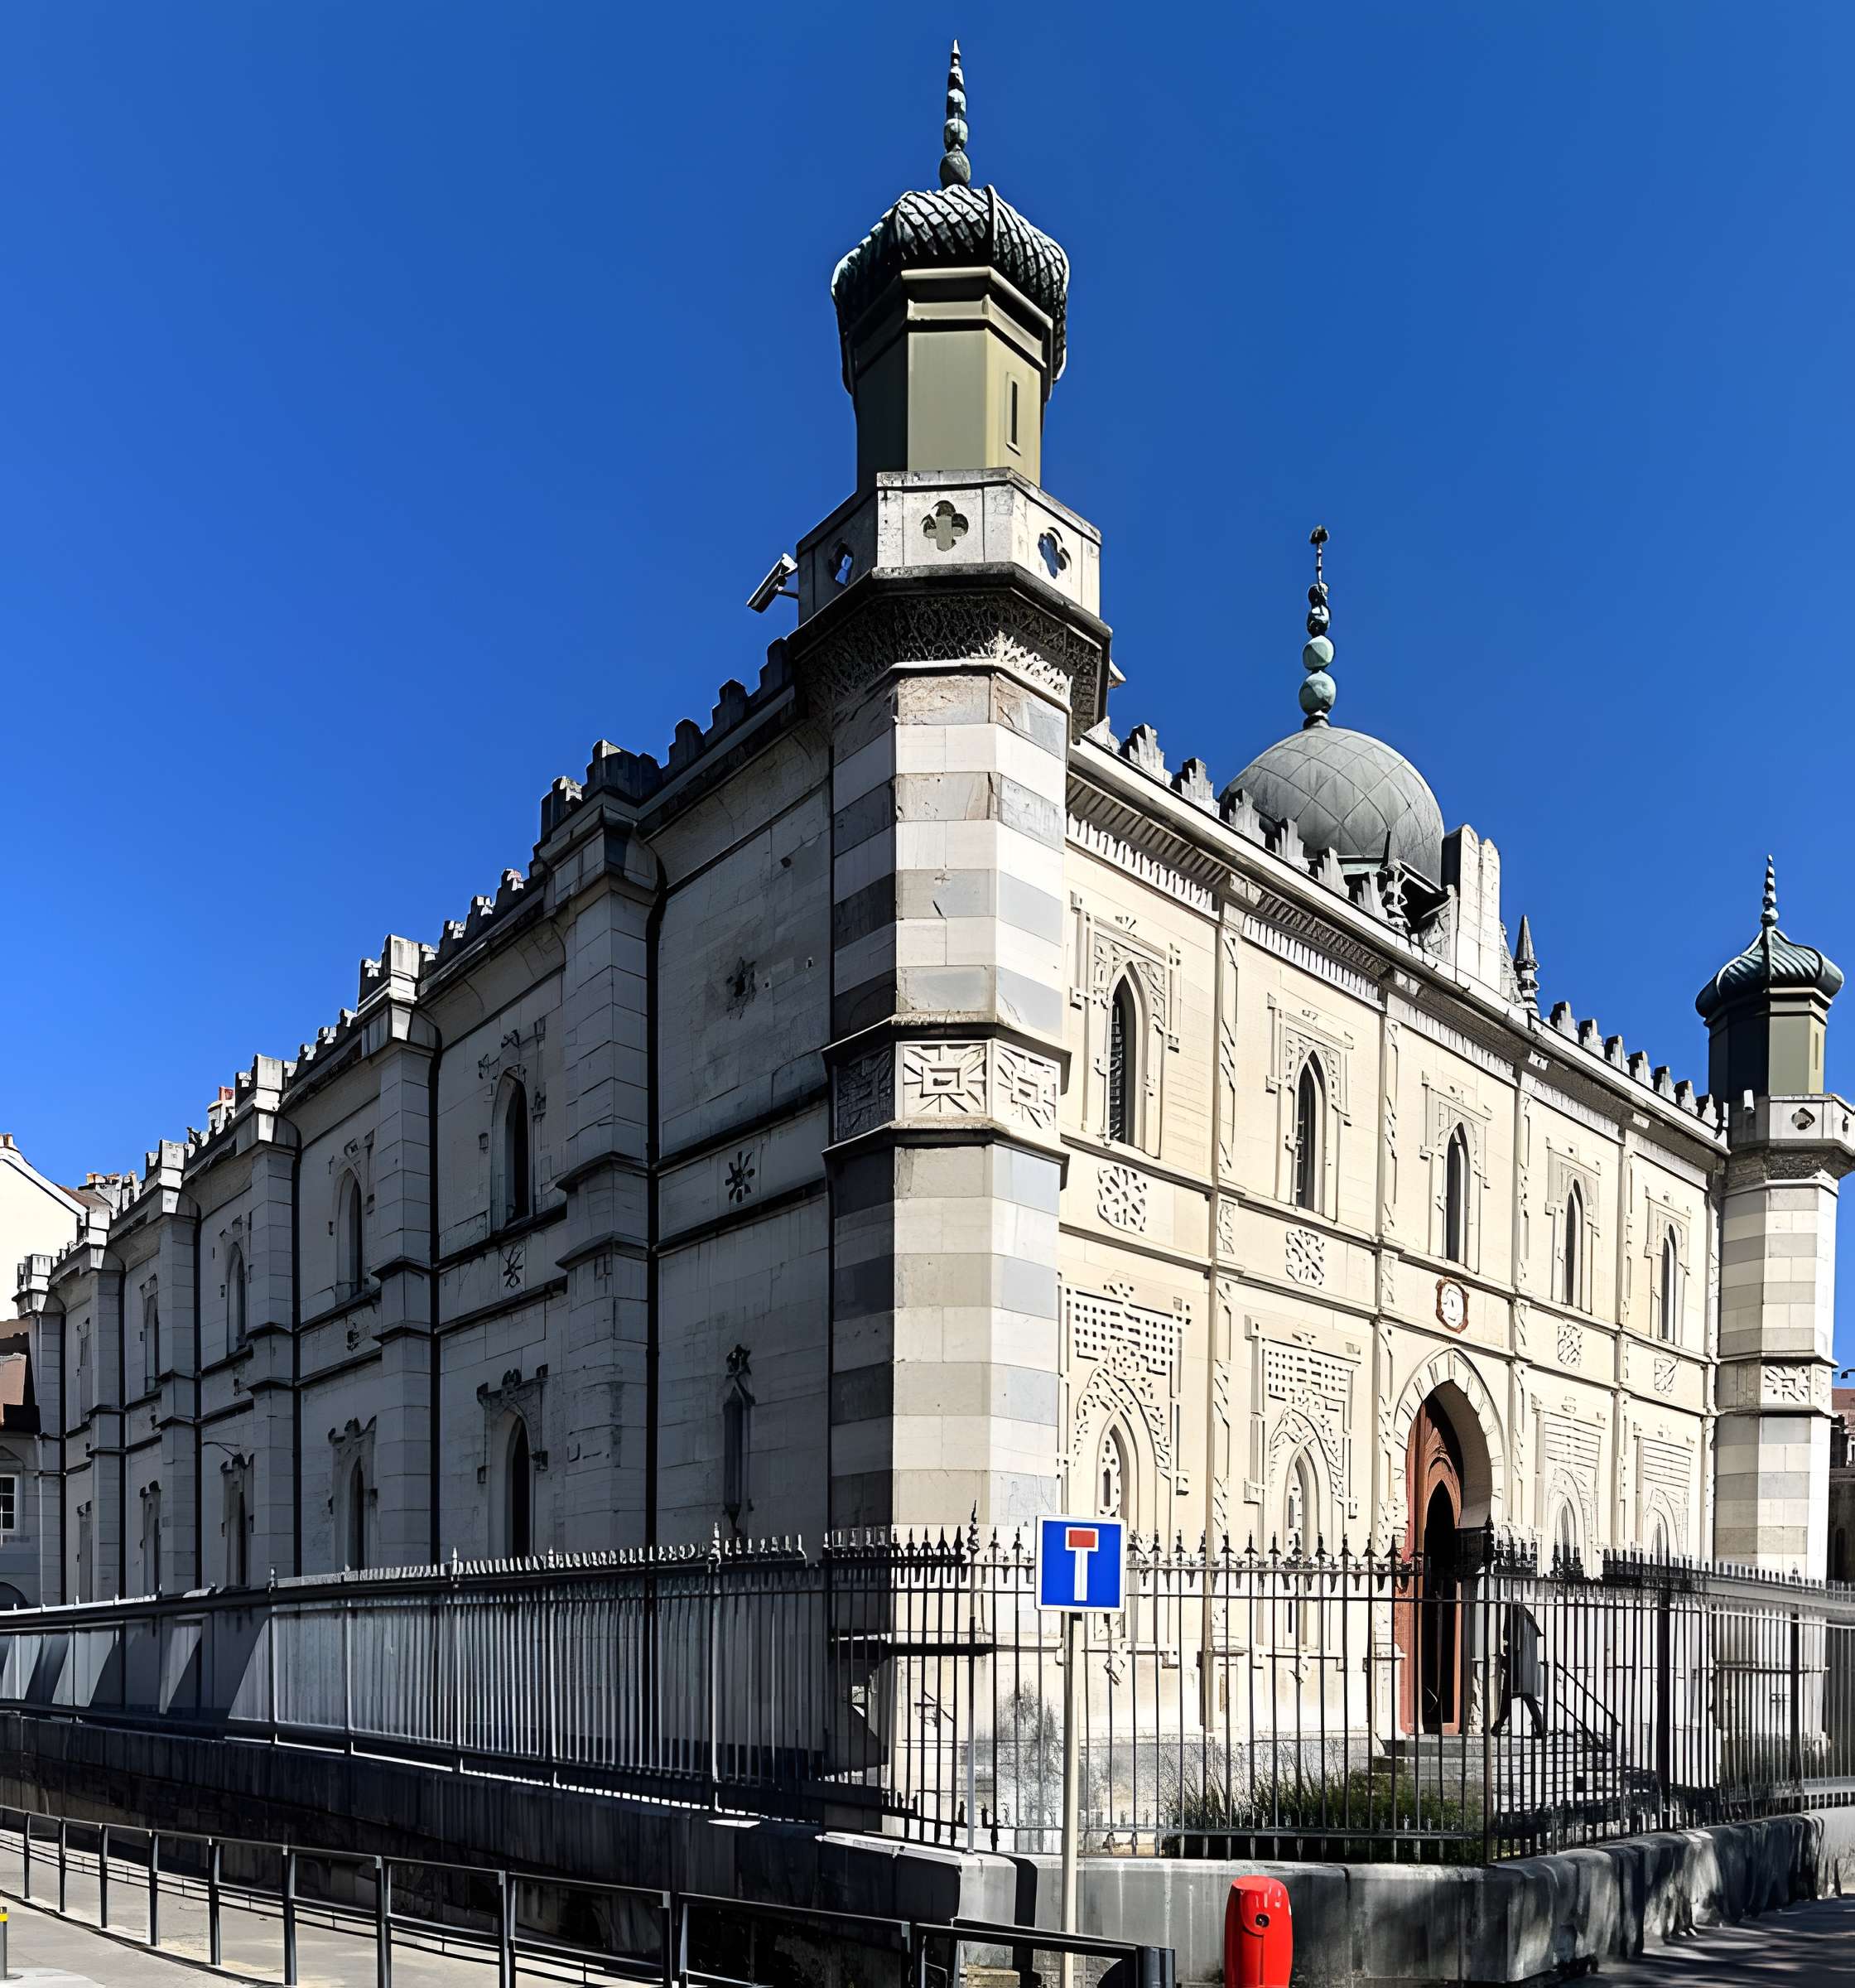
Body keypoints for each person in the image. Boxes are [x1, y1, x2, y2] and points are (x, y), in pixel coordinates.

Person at [1490, 1599, 1544, 1735]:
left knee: (1517, 1695)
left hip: (1517, 1665)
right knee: (1519, 1696)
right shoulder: (1527, 1620)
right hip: (1525, 1665)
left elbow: (1513, 1644)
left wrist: (1506, 1655)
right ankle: (1499, 1725)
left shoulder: (1516, 1620)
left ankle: (1499, 1725)